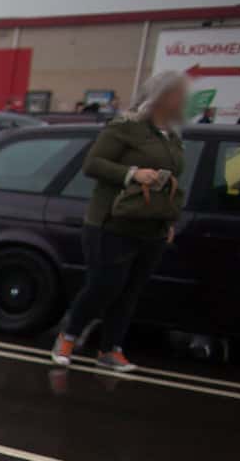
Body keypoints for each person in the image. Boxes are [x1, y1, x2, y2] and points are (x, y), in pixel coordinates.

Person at [50, 69, 189, 374]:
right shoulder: (127, 126)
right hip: (111, 221)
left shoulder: (173, 134)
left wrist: (167, 221)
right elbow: (93, 164)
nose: (182, 100)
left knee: (131, 290)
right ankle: (68, 335)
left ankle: (110, 349)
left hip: (151, 224)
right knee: (105, 285)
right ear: (160, 96)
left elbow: (173, 178)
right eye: (177, 94)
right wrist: (132, 174)